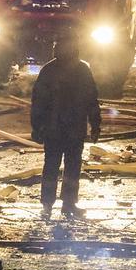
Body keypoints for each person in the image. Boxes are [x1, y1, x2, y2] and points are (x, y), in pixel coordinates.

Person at [30, 33, 101, 218]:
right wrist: (95, 125)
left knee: (51, 166)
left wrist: (37, 127)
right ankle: (68, 204)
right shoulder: (82, 70)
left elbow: (38, 102)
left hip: (54, 129)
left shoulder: (48, 70)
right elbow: (92, 100)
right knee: (72, 167)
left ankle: (47, 204)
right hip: (74, 130)